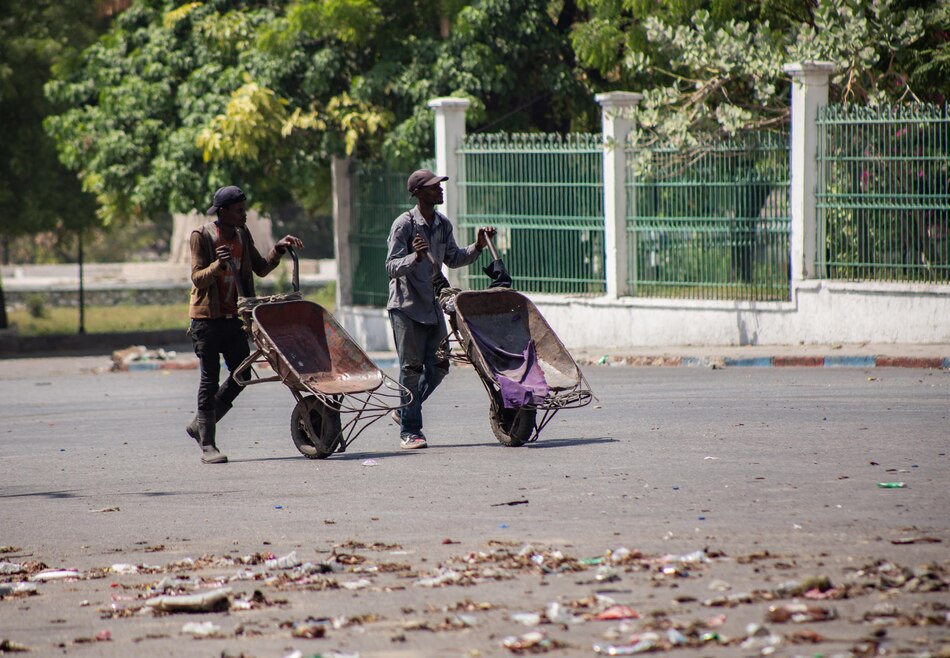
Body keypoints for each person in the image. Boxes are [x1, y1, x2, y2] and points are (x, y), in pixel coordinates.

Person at [185, 185, 304, 464]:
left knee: (243, 375)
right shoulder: (201, 236)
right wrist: (218, 265)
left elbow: (261, 268)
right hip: (206, 320)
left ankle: (200, 425)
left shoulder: (241, 234)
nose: (244, 214)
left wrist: (278, 249)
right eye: (239, 210)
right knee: (209, 380)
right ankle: (208, 445)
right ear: (223, 212)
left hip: (234, 318)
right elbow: (197, 278)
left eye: (244, 209)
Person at [385, 169, 496, 449]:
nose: (440, 190)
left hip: (432, 305)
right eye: (434, 187)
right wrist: (415, 256)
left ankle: (405, 410)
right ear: (419, 193)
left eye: (440, 186)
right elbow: (390, 266)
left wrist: (478, 246)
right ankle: (410, 431)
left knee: (439, 366)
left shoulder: (442, 224)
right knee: (411, 369)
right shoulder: (404, 225)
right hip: (406, 307)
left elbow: (454, 258)